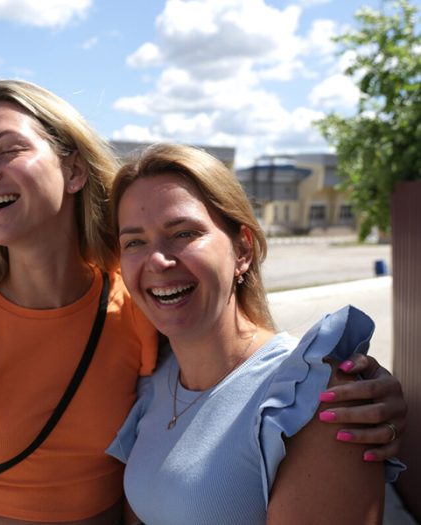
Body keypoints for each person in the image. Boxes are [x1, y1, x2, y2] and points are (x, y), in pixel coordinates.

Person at [0, 80, 406, 525]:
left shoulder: (137, 300)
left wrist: (348, 386)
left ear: (74, 170)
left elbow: (233, 369)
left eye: (8, 150)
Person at [106, 143, 405, 524]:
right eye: (134, 242)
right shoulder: (153, 384)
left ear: (242, 249)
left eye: (183, 233)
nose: (158, 260)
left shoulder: (311, 396)